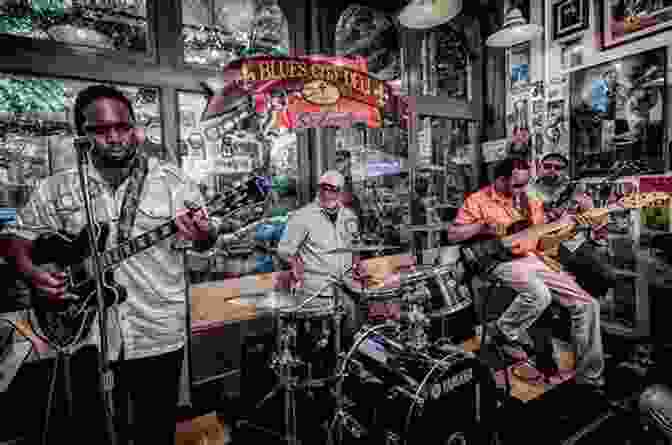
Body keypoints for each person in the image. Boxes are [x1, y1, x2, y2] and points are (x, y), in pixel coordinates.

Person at [1, 85, 213, 444]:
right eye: (100, 130)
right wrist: (33, 274)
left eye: (122, 127)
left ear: (134, 128)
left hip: (156, 333)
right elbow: (14, 241)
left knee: (155, 432)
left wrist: (204, 234)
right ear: (81, 135)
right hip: (86, 335)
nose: (114, 137)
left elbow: (205, 241)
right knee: (91, 431)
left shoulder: (172, 182)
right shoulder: (58, 188)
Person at [446, 157, 605, 389]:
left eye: (525, 184)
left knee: (588, 304)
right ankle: (502, 330)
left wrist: (575, 221)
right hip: (498, 260)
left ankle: (589, 377)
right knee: (540, 294)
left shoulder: (528, 201)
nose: (523, 190)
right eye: (517, 185)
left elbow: (542, 235)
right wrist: (480, 226)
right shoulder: (478, 200)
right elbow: (453, 235)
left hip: (531, 257)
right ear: (500, 180)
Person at [277, 170, 362, 335]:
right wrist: (295, 263)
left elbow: (355, 245)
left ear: (341, 192)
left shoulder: (349, 216)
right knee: (328, 339)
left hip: (347, 286)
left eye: (333, 189)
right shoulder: (302, 216)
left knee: (355, 328)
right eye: (324, 188)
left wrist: (357, 263)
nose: (327, 193)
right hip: (317, 290)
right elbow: (284, 250)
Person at [528, 153, 616, 299]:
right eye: (547, 166)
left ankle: (588, 307)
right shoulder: (527, 192)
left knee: (607, 277)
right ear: (539, 168)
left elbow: (594, 220)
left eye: (558, 168)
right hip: (540, 248)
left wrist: (586, 212)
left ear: (565, 172)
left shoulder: (575, 189)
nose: (552, 170)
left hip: (572, 245)